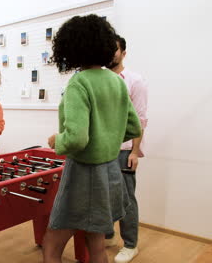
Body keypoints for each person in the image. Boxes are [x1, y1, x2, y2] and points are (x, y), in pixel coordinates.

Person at [43, 14, 142, 263]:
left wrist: (58, 140)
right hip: (110, 171)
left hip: (83, 174)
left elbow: (76, 139)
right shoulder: (116, 81)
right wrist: (108, 135)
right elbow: (133, 127)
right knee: (96, 243)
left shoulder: (79, 83)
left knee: (52, 242)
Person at [105, 35, 149, 263]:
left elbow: (141, 119)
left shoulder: (134, 80)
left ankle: (131, 245)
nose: (110, 53)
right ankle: (108, 234)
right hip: (102, 150)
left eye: (115, 49)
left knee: (126, 198)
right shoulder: (98, 78)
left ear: (123, 52)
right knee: (105, 195)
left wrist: (134, 151)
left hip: (124, 150)